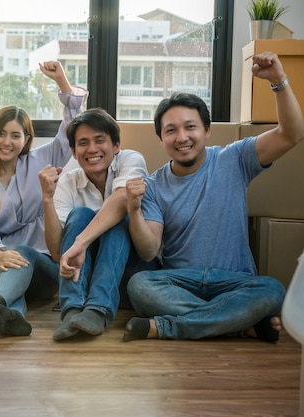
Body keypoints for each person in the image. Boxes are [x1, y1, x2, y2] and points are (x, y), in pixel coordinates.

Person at [123, 51, 304, 343]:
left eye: (190, 127)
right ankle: (240, 324)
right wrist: (133, 209)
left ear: (207, 130)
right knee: (140, 285)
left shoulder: (234, 158)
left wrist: (278, 81)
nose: (182, 137)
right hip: (180, 281)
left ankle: (171, 327)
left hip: (235, 281)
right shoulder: (153, 185)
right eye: (171, 130)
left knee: (272, 289)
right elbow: (148, 251)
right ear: (161, 138)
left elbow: (292, 134)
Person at [0, 60, 87, 337]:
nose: (7, 142)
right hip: (0, 263)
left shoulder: (41, 160)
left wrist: (62, 82)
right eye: (0, 134)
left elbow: (72, 128)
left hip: (44, 266)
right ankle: (7, 315)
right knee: (9, 266)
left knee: (23, 255)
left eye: (15, 135)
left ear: (26, 139)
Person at [39, 107, 153, 341]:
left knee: (119, 217)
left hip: (131, 274)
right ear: (73, 151)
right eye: (83, 143)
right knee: (80, 214)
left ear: (116, 145)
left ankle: (97, 311)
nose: (91, 149)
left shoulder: (131, 159)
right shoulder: (68, 182)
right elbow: (55, 252)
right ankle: (72, 310)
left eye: (99, 140)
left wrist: (81, 242)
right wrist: (47, 199)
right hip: (87, 276)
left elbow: (121, 199)